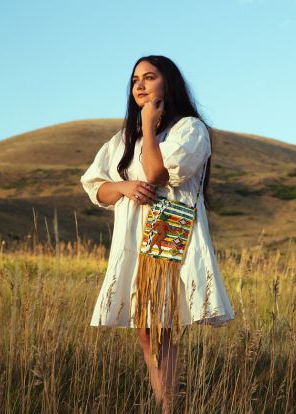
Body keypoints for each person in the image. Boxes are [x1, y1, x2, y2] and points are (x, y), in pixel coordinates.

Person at [80, 55, 235, 413]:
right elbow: (95, 187)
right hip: (134, 238)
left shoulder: (190, 129)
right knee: (147, 330)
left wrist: (149, 127)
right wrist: (123, 187)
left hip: (169, 233)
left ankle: (169, 405)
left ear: (169, 83)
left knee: (160, 327)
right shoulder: (123, 139)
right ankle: (166, 403)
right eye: (135, 79)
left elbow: (156, 174)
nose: (139, 85)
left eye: (149, 77)